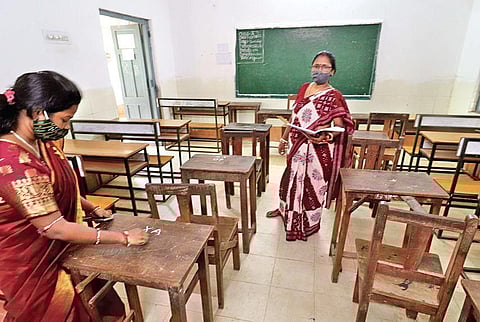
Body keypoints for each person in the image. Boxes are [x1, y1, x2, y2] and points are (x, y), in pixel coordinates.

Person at [0, 71, 150, 321]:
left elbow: (52, 191)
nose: (66, 128)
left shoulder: (40, 143)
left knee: (95, 302)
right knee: (60, 310)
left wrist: (90, 207)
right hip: (32, 261)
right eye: (64, 120)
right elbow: (54, 228)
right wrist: (122, 237)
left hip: (66, 247)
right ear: (38, 112)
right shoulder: (13, 164)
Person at [266, 51, 354, 241]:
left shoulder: (334, 96)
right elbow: (294, 117)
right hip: (296, 145)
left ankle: (308, 223)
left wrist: (325, 134)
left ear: (333, 72)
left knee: (312, 187)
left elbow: (340, 126)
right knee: (289, 181)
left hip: (317, 150)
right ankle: (287, 213)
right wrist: (283, 138)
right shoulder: (304, 88)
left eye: (324, 67)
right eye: (316, 66)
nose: (319, 70)